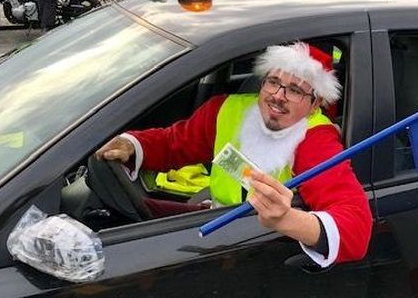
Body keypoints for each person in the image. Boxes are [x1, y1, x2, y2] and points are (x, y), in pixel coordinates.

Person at [96, 42, 373, 267]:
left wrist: (287, 219)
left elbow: (356, 230)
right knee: (120, 218)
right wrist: (133, 144)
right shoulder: (226, 109)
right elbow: (174, 143)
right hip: (213, 222)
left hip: (257, 252)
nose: (277, 95)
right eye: (273, 81)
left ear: (315, 105)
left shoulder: (315, 139)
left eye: (295, 90)